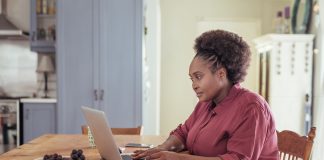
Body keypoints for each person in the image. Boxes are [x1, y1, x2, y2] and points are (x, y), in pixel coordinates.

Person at [132, 30, 279, 160]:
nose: (194, 85)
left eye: (199, 76)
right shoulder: (206, 103)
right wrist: (162, 148)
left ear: (221, 74)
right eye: (192, 79)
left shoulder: (251, 107)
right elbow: (183, 132)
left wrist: (177, 158)